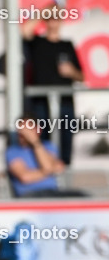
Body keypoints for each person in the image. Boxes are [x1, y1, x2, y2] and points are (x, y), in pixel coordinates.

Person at [22, 12, 84, 164]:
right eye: (49, 19)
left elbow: (82, 76)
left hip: (65, 102)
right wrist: (44, 10)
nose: (53, 22)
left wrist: (71, 71)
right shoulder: (38, 43)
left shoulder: (67, 45)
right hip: (41, 102)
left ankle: (64, 176)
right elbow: (24, 31)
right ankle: (45, 173)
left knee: (65, 142)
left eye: (56, 18)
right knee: (42, 141)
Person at [7, 115, 86, 198]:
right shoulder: (13, 151)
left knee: (83, 197)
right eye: (22, 130)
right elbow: (25, 177)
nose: (25, 134)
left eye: (28, 130)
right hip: (29, 195)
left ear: (38, 130)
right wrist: (48, 171)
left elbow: (55, 167)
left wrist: (35, 143)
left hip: (53, 192)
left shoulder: (48, 146)